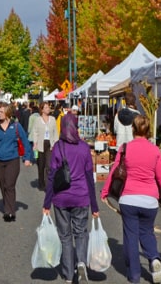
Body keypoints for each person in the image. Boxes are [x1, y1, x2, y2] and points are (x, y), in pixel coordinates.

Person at [100, 114, 161, 284]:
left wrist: (105, 192)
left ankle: (134, 276)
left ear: (133, 129)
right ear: (148, 131)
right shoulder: (155, 150)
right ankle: (154, 258)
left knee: (131, 236)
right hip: (150, 200)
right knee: (147, 232)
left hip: (129, 199)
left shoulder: (125, 148)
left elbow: (114, 171)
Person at [42, 113, 99, 283]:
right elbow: (90, 177)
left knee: (65, 236)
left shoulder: (58, 147)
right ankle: (81, 261)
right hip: (81, 197)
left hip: (61, 198)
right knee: (80, 232)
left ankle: (68, 275)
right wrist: (94, 206)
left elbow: (52, 176)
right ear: (76, 127)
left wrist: (46, 202)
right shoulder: (84, 148)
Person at [0, 103, 34, 222]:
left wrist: (27, 157)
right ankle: (8, 206)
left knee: (9, 185)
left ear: (7, 113)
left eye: (1, 111)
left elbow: (25, 141)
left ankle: (10, 212)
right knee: (2, 185)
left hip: (13, 159)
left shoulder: (16, 126)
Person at [30, 102, 58, 191]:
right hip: (40, 144)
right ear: (41, 110)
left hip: (50, 144)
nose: (48, 109)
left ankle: (48, 184)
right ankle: (41, 182)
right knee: (41, 165)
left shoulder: (53, 119)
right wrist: (35, 143)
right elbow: (35, 132)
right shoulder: (38, 120)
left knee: (49, 165)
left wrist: (55, 144)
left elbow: (55, 132)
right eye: (46, 107)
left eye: (48, 107)